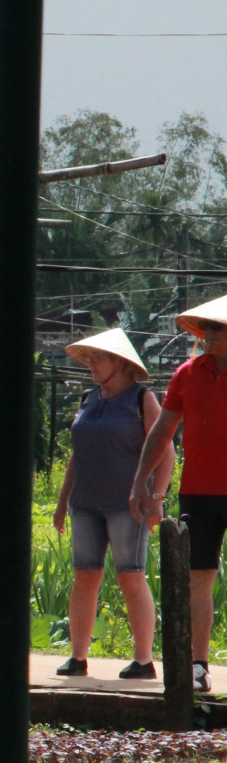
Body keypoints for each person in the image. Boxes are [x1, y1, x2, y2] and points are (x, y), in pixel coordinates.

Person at [130, 294, 227, 694]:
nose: (207, 334)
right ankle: (198, 666)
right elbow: (162, 431)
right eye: (204, 327)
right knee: (197, 577)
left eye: (216, 328)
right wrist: (141, 481)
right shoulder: (186, 374)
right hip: (200, 493)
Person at [53, 328, 161, 679]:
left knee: (131, 575)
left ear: (121, 362)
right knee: (84, 575)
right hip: (85, 503)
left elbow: (166, 450)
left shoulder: (142, 398)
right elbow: (77, 454)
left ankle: (144, 660)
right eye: (90, 357)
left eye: (98, 357)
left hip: (127, 504)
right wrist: (61, 501)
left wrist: (155, 497)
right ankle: (78, 657)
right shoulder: (89, 399)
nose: (91, 363)